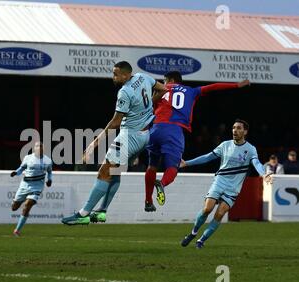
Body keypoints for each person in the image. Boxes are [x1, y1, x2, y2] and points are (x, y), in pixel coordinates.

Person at [61, 61, 166, 225]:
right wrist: (149, 107)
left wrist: (93, 145)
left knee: (104, 172)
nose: (113, 77)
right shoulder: (143, 77)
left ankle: (83, 214)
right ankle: (102, 211)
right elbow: (163, 89)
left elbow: (116, 122)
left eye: (115, 74)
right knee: (115, 173)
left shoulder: (125, 92)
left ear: (125, 75)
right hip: (145, 135)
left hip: (129, 137)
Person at [144, 71, 251, 212]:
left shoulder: (160, 90)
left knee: (152, 166)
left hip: (155, 129)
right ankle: (162, 184)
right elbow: (214, 86)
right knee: (173, 168)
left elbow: (147, 109)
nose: (163, 83)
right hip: (174, 131)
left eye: (164, 80)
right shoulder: (191, 91)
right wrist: (236, 85)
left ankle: (148, 201)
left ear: (170, 79)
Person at [179, 119, 273, 249]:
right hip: (220, 182)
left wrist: (264, 174)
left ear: (245, 131)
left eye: (239, 128)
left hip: (233, 188)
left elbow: (256, 163)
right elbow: (208, 157)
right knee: (207, 209)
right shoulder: (225, 145)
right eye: (234, 127)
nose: (235, 130)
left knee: (219, 214)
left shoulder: (250, 149)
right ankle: (193, 233)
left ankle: (201, 240)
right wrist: (187, 163)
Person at [10, 142, 52, 236]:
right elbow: (21, 168)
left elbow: (49, 172)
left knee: (28, 204)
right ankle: (17, 201)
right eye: (37, 146)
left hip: (37, 186)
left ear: (43, 148)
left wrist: (50, 180)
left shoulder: (47, 160)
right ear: (34, 148)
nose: (39, 147)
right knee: (14, 208)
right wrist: (16, 172)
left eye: (41, 146)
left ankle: (17, 230)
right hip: (25, 185)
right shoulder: (28, 158)